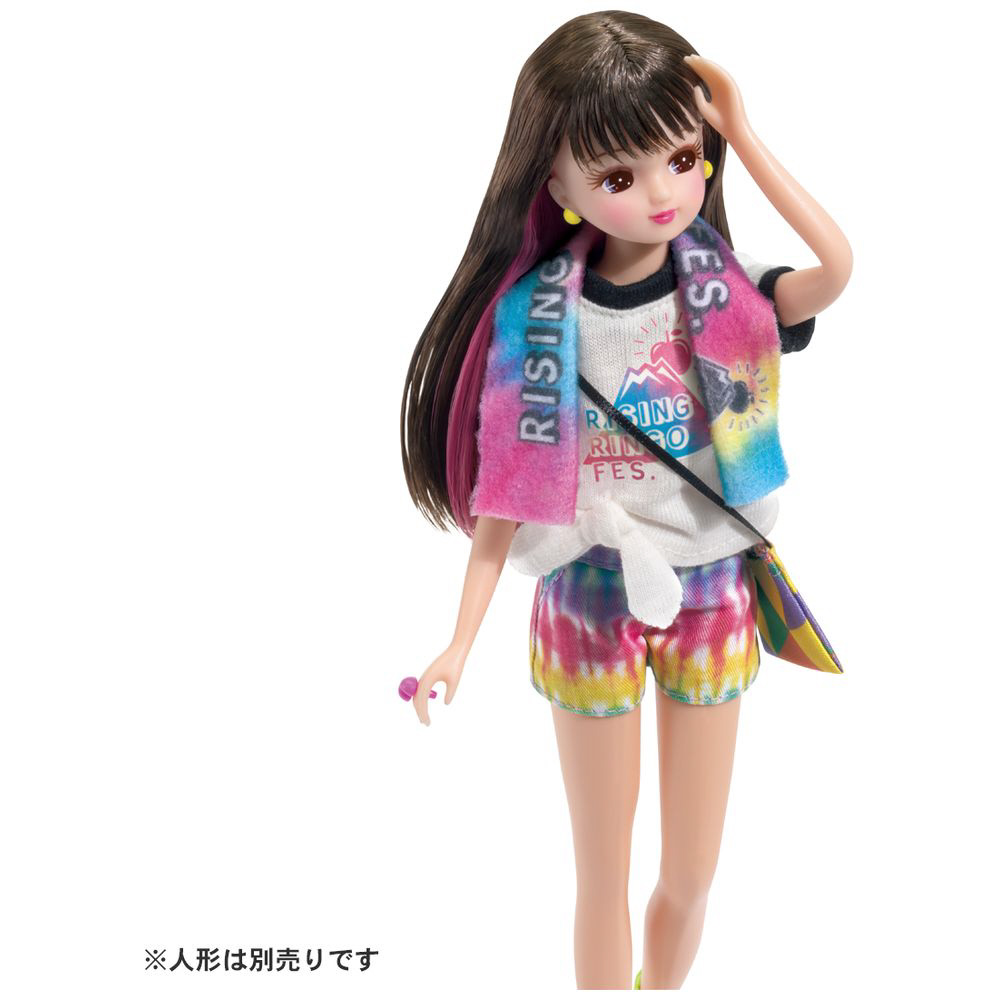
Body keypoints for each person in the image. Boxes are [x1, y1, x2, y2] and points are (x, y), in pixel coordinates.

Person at [399, 10, 851, 990]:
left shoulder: (731, 292)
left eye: (682, 160)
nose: (660, 193)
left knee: (690, 873)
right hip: (588, 591)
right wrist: (459, 641)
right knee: (600, 876)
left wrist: (744, 134)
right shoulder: (533, 321)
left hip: (710, 587)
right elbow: (505, 494)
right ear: (555, 188)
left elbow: (837, 268)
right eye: (617, 177)